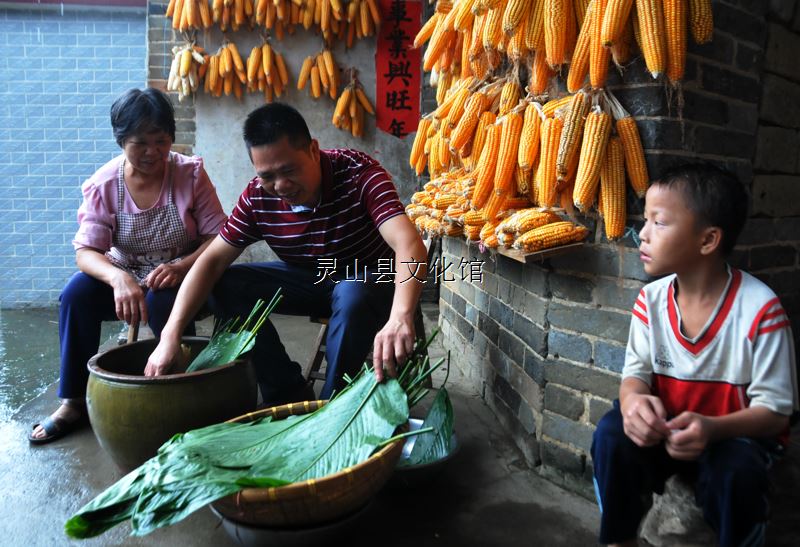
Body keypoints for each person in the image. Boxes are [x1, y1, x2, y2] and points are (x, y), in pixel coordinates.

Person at [144, 103, 427, 405]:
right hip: (311, 279)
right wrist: (169, 335)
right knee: (225, 284)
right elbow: (211, 261)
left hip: (371, 279)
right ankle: (286, 393)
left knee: (352, 292)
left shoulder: (360, 175)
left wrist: (400, 316)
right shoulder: (258, 197)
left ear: (313, 150)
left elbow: (409, 243)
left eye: (289, 170)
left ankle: (334, 406)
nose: (280, 186)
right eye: (267, 176)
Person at [591, 164, 798, 547]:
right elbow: (634, 376)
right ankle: (619, 540)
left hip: (733, 437)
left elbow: (775, 414)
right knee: (611, 434)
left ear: (708, 240)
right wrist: (634, 403)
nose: (644, 234)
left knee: (737, 471)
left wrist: (713, 428)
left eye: (660, 222)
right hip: (668, 434)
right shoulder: (650, 302)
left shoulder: (760, 311)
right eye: (645, 220)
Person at [29, 88, 227, 444]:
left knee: (161, 302)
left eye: (161, 141)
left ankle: (173, 389)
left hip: (178, 278)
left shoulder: (190, 174)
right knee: (76, 294)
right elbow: (85, 252)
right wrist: (118, 278)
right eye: (140, 143)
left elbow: (219, 237)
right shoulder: (105, 183)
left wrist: (183, 266)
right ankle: (73, 401)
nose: (152, 152)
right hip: (124, 276)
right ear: (121, 140)